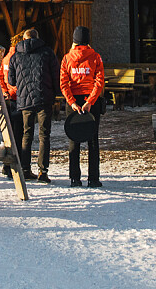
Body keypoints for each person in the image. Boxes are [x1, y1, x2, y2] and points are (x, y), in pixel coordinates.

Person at [9, 28, 58, 183]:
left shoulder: (15, 55)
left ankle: (25, 169)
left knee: (26, 134)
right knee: (44, 135)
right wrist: (54, 93)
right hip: (44, 98)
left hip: (25, 99)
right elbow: (55, 75)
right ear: (38, 38)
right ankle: (43, 171)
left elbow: (11, 81)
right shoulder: (47, 52)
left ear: (24, 39)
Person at [60, 25, 105, 188]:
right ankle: (93, 179)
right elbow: (99, 81)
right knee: (93, 140)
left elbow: (63, 83)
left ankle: (75, 178)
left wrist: (72, 102)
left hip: (73, 102)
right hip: (90, 101)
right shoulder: (95, 57)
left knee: (74, 140)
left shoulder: (66, 58)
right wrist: (90, 101)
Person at [0, 40, 22, 177]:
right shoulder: (19, 58)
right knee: (18, 135)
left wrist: (4, 91)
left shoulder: (5, 58)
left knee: (8, 133)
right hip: (18, 98)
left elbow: (0, 76)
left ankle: (6, 165)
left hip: (8, 98)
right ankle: (16, 166)